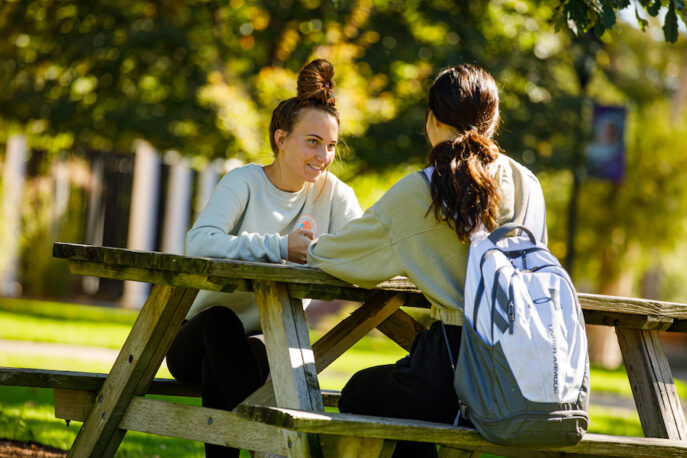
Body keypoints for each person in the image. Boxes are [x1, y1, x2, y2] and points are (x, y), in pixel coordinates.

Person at [307, 64, 547, 457]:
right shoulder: (528, 183)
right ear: (495, 120)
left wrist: (307, 247)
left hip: (453, 371)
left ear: (432, 120)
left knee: (360, 393)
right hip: (525, 371)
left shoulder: (424, 188)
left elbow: (341, 257)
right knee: (407, 410)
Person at [165, 59, 362, 458]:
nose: (323, 155)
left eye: (331, 145)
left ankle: (262, 447)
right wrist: (279, 247)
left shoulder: (334, 194)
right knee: (222, 325)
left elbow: (362, 245)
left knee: (246, 355)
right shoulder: (244, 181)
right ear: (281, 139)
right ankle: (272, 445)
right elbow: (200, 242)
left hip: (266, 343)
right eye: (312, 141)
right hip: (195, 338)